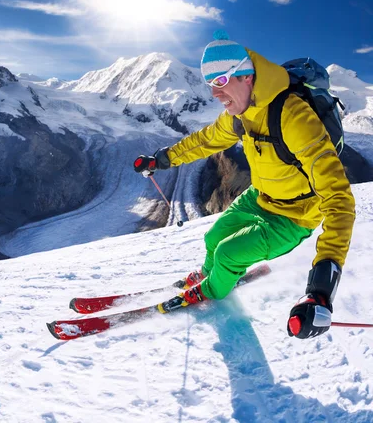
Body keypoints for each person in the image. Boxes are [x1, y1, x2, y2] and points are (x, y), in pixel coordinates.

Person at [133, 31, 355, 339]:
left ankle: (211, 290)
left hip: (294, 215)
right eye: (211, 84)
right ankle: (213, 276)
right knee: (213, 238)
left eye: (221, 82)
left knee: (227, 253)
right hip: (260, 197)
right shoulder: (239, 113)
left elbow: (339, 199)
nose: (215, 93)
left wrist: (320, 289)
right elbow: (206, 140)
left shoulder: (293, 116)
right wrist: (162, 159)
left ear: (246, 76)